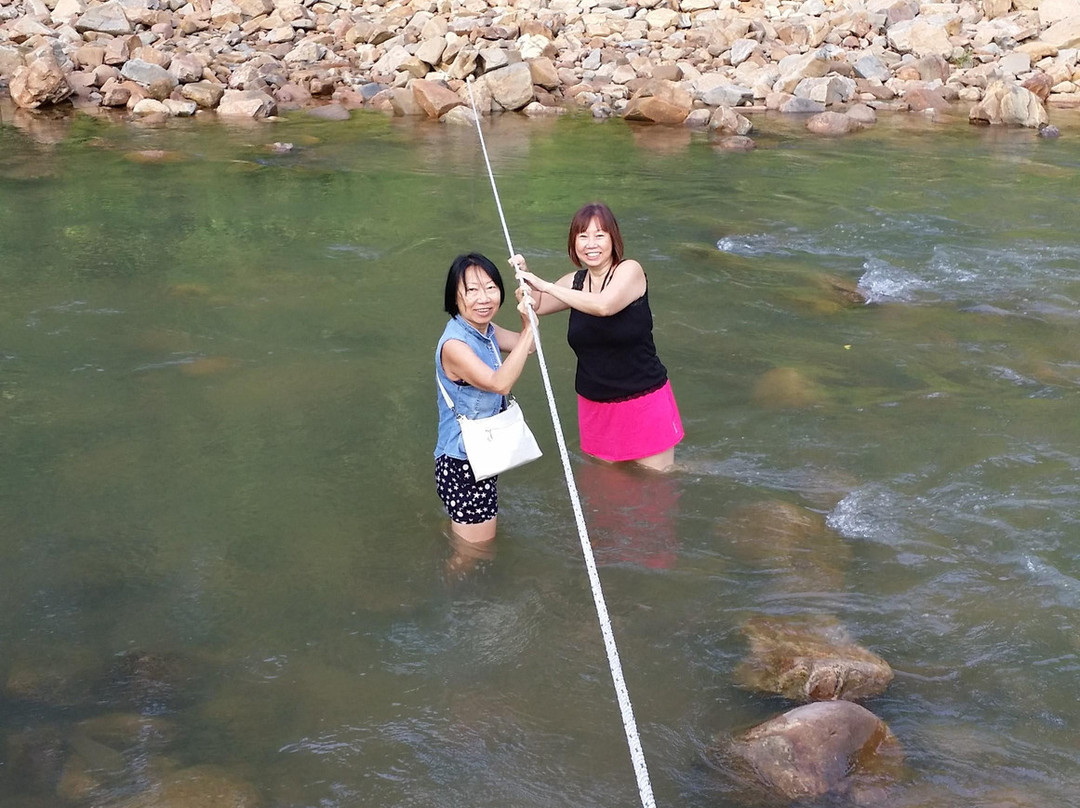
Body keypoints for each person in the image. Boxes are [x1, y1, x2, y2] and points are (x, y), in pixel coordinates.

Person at [513, 202, 683, 472]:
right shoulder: (574, 281)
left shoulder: (630, 271)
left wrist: (544, 285)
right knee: (605, 494)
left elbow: (604, 305)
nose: (591, 244)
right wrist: (524, 277)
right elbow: (540, 305)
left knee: (656, 490)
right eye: (583, 236)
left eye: (599, 235)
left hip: (643, 400)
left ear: (613, 239)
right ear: (574, 243)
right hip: (595, 405)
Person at [435, 252, 536, 547]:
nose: (484, 298)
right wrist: (530, 328)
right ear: (455, 297)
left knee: (473, 543)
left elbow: (525, 347)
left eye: (491, 288)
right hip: (462, 463)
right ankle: (451, 586)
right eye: (472, 290)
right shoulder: (455, 345)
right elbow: (500, 383)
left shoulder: (485, 330)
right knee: (476, 553)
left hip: (481, 454)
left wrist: (525, 300)